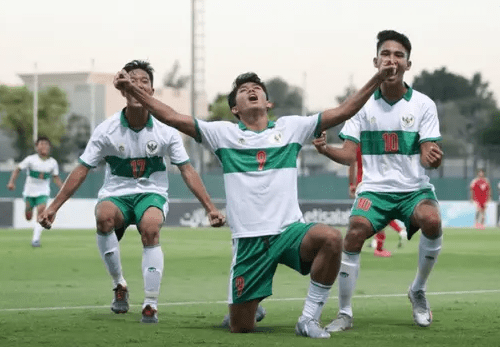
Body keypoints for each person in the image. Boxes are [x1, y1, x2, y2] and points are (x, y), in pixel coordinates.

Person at [113, 61, 396, 338]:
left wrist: (377, 78)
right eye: (244, 89)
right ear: (235, 108)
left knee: (332, 238)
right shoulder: (222, 134)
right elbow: (172, 117)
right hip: (249, 242)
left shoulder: (291, 128)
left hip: (289, 231)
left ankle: (309, 319)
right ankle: (247, 307)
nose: (252, 90)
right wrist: (135, 91)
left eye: (257, 88)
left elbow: (344, 110)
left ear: (267, 102)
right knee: (241, 327)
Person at [38, 60, 225, 324]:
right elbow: (81, 169)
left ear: (152, 91)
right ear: (123, 90)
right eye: (132, 80)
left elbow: (187, 170)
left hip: (152, 193)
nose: (138, 84)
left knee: (150, 226)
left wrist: (211, 208)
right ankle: (119, 286)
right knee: (103, 216)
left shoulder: (166, 130)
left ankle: (150, 304)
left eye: (144, 81)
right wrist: (53, 207)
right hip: (116, 193)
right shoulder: (106, 130)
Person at [310, 30, 444, 331]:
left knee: (432, 221)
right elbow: (348, 155)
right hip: (375, 189)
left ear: (408, 65)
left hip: (414, 189)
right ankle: (344, 312)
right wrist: (324, 149)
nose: (392, 60)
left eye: (399, 55)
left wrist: (433, 158)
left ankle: (418, 290)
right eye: (386, 54)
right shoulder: (361, 105)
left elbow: (427, 154)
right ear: (376, 61)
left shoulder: (423, 104)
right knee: (354, 233)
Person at [315, 133, 407, 257]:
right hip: (372, 183)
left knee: (370, 214)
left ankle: (370, 245)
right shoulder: (376, 143)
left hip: (363, 184)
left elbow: (352, 163)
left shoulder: (359, 143)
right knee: (379, 213)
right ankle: (377, 246)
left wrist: (351, 184)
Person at [7, 136, 63, 247]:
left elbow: (55, 177)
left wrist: (63, 190)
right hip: (29, 192)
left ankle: (35, 239)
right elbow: (17, 169)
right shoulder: (30, 159)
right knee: (28, 217)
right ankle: (28, 210)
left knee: (41, 213)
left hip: (43, 192)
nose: (44, 146)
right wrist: (11, 182)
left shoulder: (52, 162)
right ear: (37, 147)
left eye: (46, 144)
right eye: (41, 144)